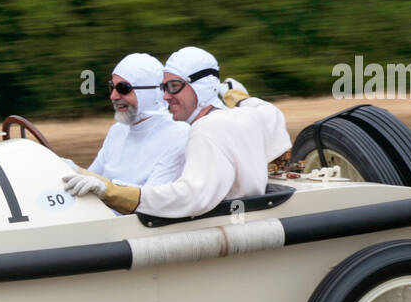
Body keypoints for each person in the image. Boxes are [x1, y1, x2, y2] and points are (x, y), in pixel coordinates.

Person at [63, 46, 290, 217]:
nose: (165, 96)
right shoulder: (244, 116)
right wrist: (238, 98)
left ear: (200, 87)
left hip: (224, 230)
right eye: (164, 87)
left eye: (174, 87)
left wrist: (112, 191)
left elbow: (190, 196)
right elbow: (269, 114)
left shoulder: (202, 130)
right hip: (250, 219)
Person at [62, 53, 189, 199]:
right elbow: (92, 176)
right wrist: (70, 169)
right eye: (112, 87)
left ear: (148, 93)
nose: (113, 96)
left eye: (123, 88)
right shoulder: (117, 130)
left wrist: (106, 188)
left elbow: (154, 198)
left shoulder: (179, 134)